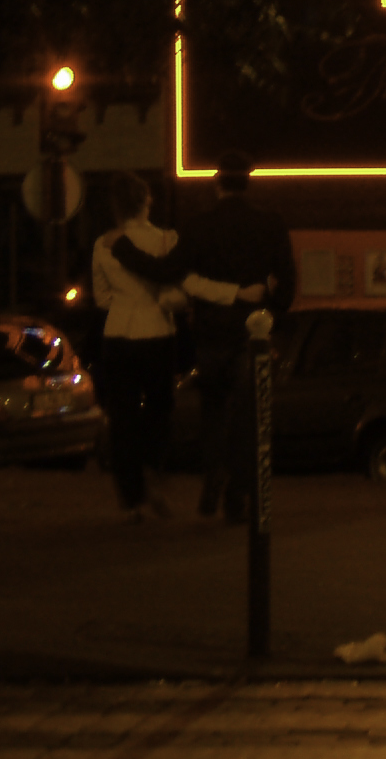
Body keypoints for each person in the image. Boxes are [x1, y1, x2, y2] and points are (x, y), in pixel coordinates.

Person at [119, 153, 297, 524]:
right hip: (252, 334)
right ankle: (238, 496)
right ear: (247, 184)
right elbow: (289, 282)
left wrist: (125, 252)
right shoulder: (270, 225)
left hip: (212, 335)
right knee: (249, 418)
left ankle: (213, 477)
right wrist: (272, 311)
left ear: (217, 185)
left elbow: (168, 270)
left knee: (214, 414)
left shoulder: (200, 226)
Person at [88, 173, 191, 521]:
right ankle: (153, 469)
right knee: (160, 407)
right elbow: (175, 284)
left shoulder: (103, 244)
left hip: (117, 333)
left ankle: (130, 499)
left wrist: (122, 302)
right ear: (144, 201)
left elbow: (102, 297)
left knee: (122, 416)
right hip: (157, 330)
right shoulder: (165, 240)